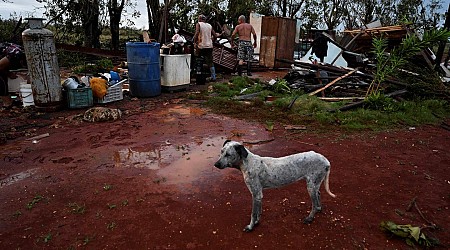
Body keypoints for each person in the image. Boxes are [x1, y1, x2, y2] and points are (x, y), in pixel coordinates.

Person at [193, 14, 220, 82]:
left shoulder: (198, 24)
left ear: (200, 19)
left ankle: (199, 76)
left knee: (199, 60)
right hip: (209, 46)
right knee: (210, 62)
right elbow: (215, 36)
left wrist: (194, 41)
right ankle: (213, 77)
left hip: (201, 46)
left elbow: (197, 33)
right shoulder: (209, 25)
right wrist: (212, 41)